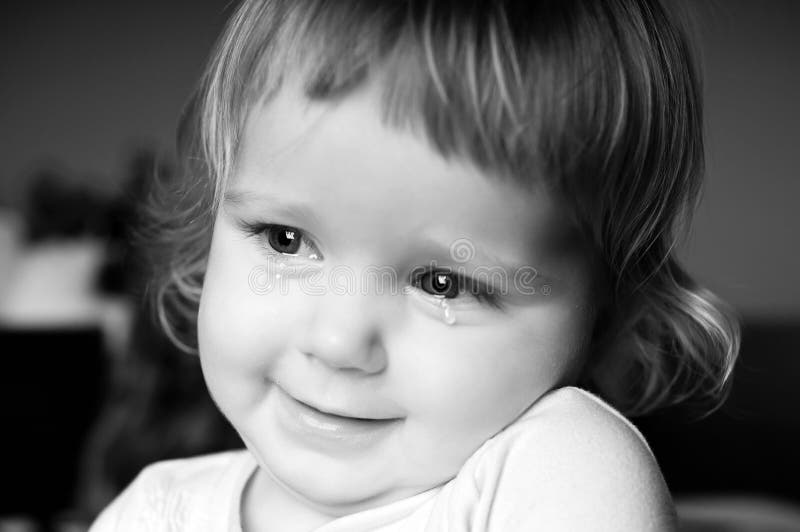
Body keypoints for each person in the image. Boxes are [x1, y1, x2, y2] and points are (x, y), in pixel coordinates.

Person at [89, 0, 740, 530]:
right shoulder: (156, 510)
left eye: (443, 282)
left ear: (606, 316)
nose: (338, 342)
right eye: (286, 239)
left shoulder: (558, 472)